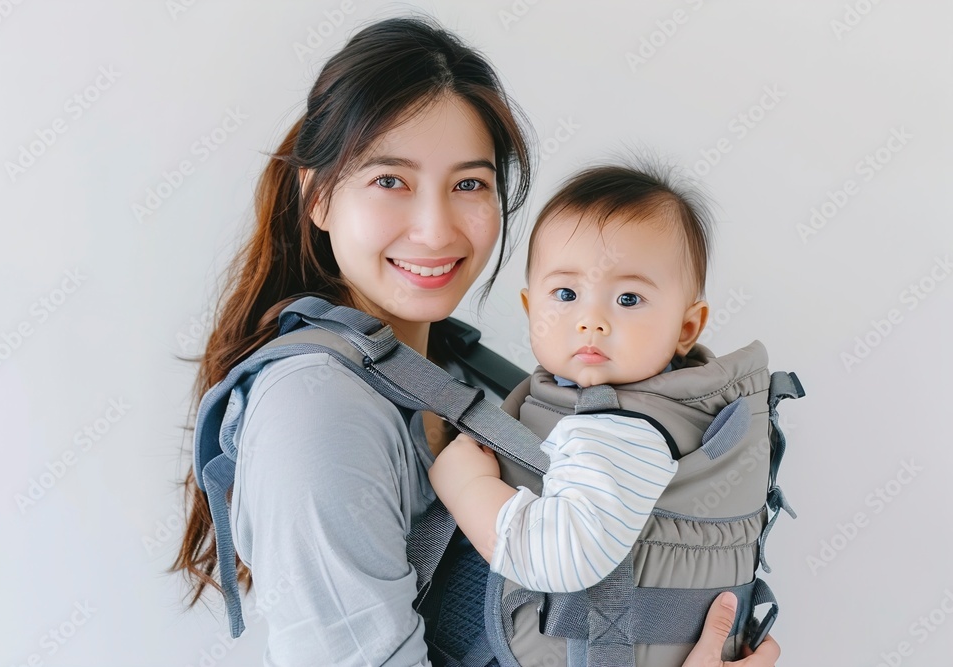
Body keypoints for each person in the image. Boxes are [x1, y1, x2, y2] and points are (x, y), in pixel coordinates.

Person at [174, 16, 780, 667]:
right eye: (390, 180)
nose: (435, 231)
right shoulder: (315, 409)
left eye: (469, 184)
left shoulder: (458, 371)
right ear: (317, 197)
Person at [429, 164, 713, 593]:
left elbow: (560, 560)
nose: (591, 321)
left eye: (628, 298)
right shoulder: (575, 398)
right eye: (566, 295)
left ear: (685, 330)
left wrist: (466, 485)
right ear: (531, 309)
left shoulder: (626, 430)